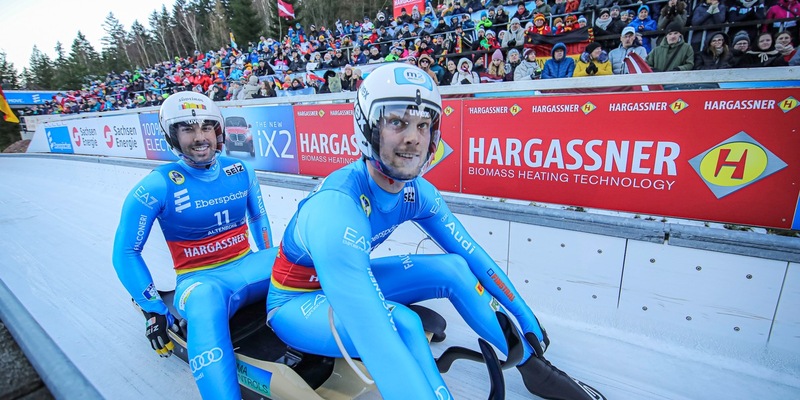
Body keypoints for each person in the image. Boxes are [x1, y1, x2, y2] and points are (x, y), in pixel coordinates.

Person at [265, 62, 601, 400]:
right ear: (368, 127)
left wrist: (523, 316)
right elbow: (378, 339)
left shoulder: (416, 192)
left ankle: (535, 370)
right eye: (397, 122)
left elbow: (471, 254)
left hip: (343, 280)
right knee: (404, 324)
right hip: (296, 302)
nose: (413, 137)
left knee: (452, 267)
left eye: (423, 124)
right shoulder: (337, 206)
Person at [112, 91, 277, 400]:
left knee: (303, 254)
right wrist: (153, 309)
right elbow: (125, 251)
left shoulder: (241, 170)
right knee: (204, 299)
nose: (201, 137)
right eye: (188, 129)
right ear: (172, 136)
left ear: (218, 131)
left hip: (252, 266)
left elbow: (259, 219)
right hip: (199, 281)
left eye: (206, 127)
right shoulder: (156, 185)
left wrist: (272, 260)